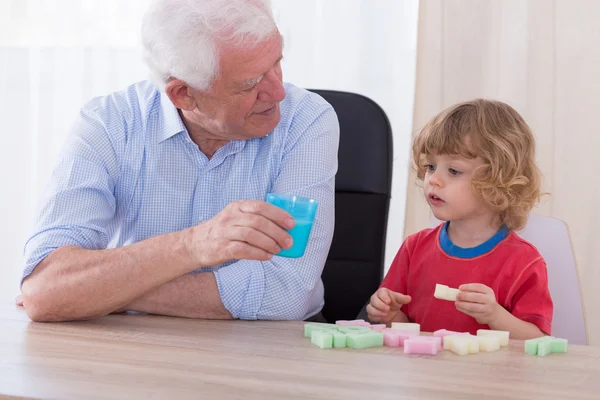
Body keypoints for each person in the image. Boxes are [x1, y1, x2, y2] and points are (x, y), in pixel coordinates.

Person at [18, 0, 339, 322]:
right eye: (251, 83)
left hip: (271, 345)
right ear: (184, 94)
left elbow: (284, 295)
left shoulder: (306, 119)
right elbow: (46, 290)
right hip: (131, 341)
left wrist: (102, 291)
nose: (278, 91)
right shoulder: (108, 123)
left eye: (276, 63)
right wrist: (193, 245)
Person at [367, 99, 552, 339]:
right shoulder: (414, 249)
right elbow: (407, 328)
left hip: (489, 377)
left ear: (498, 180)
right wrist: (390, 315)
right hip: (421, 374)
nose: (433, 179)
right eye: (431, 166)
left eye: (453, 171)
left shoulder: (524, 262)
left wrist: (495, 316)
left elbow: (538, 340)